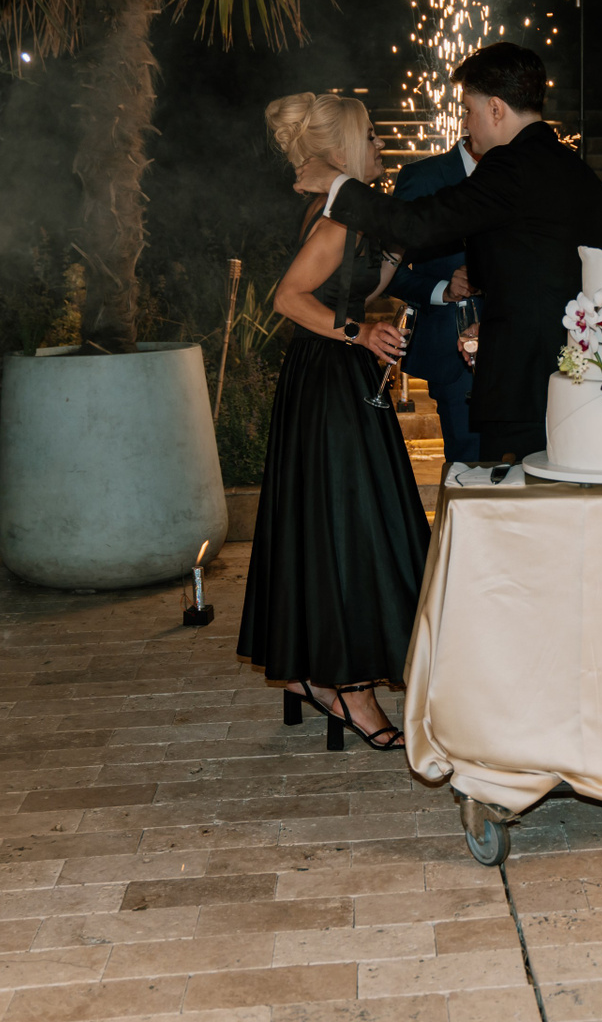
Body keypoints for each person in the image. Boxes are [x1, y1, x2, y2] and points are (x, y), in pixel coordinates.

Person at [294, 43, 602, 462]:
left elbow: (417, 225)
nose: (465, 122)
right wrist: (496, 328)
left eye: (468, 109)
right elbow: (547, 278)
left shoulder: (509, 164)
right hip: (578, 371)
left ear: (495, 108)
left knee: (510, 494)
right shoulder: (581, 174)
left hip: (523, 384)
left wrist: (337, 184)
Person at [237, 92, 429, 752]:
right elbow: (288, 298)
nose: (380, 145)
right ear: (345, 146)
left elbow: (351, 289)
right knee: (348, 525)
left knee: (332, 522)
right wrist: (361, 333)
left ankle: (314, 673)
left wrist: (396, 266)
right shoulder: (334, 221)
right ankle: (347, 687)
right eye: (370, 135)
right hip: (328, 379)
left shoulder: (345, 214)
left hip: (331, 375)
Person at [385, 133, 481, 464]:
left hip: (520, 350)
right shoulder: (423, 177)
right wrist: (443, 290)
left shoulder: (521, 175)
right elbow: (390, 271)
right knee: (469, 469)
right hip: (457, 358)